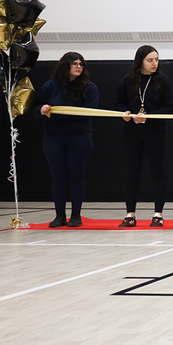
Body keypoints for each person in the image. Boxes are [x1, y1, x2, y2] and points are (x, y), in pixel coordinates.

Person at [36, 52, 99, 228]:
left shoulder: (90, 87)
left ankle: (76, 215)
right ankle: (59, 215)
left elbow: (87, 112)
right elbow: (36, 108)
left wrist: (56, 113)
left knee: (76, 175)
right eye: (75, 63)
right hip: (53, 137)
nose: (79, 66)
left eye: (81, 64)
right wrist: (43, 109)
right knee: (58, 176)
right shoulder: (50, 86)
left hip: (80, 137)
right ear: (66, 66)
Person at [115, 45, 173, 228]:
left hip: (155, 131)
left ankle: (158, 213)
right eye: (150, 60)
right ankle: (130, 214)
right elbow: (119, 103)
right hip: (132, 132)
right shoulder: (128, 80)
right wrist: (124, 113)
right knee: (132, 172)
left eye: (156, 59)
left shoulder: (163, 81)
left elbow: (170, 108)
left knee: (158, 171)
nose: (154, 63)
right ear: (140, 60)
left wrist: (148, 115)